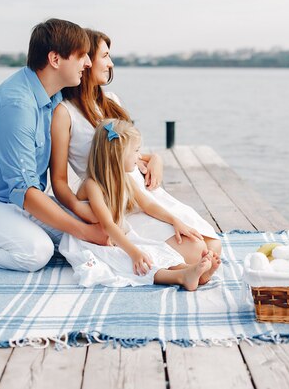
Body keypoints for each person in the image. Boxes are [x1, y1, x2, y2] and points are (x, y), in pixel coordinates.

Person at [50, 28, 222, 272]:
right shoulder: (64, 113)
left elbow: (127, 150)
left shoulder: (112, 101)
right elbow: (58, 180)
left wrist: (154, 158)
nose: (110, 63)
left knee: (214, 245)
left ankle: (188, 269)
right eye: (105, 55)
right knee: (197, 253)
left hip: (141, 192)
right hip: (116, 201)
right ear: (85, 60)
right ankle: (180, 271)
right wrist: (81, 210)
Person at [0, 18, 110, 272]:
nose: (89, 63)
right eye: (82, 56)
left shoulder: (54, 95)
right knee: (37, 252)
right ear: (55, 59)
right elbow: (23, 190)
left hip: (23, 202)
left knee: (95, 242)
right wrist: (85, 231)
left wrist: (145, 159)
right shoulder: (16, 105)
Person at [59, 119, 213, 291]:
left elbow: (147, 204)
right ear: (118, 155)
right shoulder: (92, 185)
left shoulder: (125, 179)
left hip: (118, 237)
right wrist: (133, 252)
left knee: (155, 252)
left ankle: (191, 272)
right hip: (94, 242)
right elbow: (107, 224)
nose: (140, 156)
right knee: (133, 263)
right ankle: (181, 276)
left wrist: (175, 221)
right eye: (136, 151)